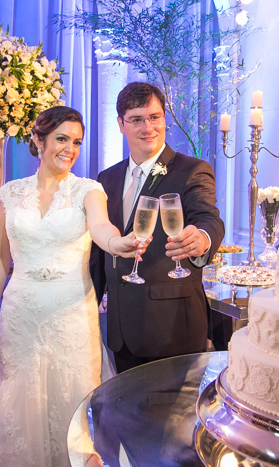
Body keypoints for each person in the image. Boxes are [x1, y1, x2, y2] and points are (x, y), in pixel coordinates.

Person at [0, 106, 147, 467]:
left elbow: (103, 230)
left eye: (76, 141)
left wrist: (119, 243)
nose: (70, 149)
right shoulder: (9, 194)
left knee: (72, 401)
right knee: (20, 404)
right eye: (62, 139)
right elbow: (0, 260)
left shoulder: (89, 190)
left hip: (71, 312)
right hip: (20, 313)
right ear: (37, 140)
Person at [91, 82, 225, 373]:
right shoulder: (107, 178)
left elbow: (209, 219)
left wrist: (201, 238)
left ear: (164, 119)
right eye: (137, 119)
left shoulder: (193, 170)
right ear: (121, 124)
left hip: (171, 329)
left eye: (154, 117)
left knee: (175, 418)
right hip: (120, 330)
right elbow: (97, 252)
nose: (147, 127)